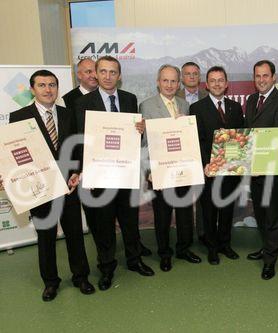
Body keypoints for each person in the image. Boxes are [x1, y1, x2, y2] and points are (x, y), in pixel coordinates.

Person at [7, 70, 94, 301]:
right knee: (46, 238)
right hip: (40, 189)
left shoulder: (68, 113)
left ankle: (81, 277)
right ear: (32, 89)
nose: (48, 90)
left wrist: (77, 172)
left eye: (52, 85)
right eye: (42, 85)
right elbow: (13, 152)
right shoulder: (19, 117)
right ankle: (51, 283)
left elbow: (77, 147)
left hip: (69, 186)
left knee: (75, 234)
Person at [74, 56, 154, 291]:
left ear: (119, 76)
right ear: (96, 74)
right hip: (100, 174)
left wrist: (140, 130)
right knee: (104, 225)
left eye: (113, 72)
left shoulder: (130, 99)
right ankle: (106, 268)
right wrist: (84, 172)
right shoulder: (83, 103)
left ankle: (134, 260)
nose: (108, 76)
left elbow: (132, 137)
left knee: (130, 221)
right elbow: (80, 140)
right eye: (104, 71)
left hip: (126, 172)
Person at [139, 64, 202, 272]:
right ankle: (164, 253)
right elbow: (144, 142)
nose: (169, 85)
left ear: (179, 83)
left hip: (183, 169)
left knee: (185, 212)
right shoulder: (146, 106)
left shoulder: (184, 105)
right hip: (159, 171)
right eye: (165, 80)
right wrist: (148, 170)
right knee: (163, 215)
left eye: (173, 81)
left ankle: (184, 248)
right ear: (158, 82)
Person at [189, 66, 244, 265]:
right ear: (206, 85)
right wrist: (206, 164)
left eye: (221, 80)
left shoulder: (235, 108)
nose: (217, 84)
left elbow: (241, 138)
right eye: (213, 81)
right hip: (209, 170)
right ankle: (212, 248)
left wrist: (240, 163)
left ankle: (225, 244)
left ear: (227, 83)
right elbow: (196, 141)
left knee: (227, 208)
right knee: (210, 211)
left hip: (231, 170)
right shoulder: (197, 108)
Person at [245, 60, 278, 280]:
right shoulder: (252, 100)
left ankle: (270, 261)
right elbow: (248, 134)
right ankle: (266, 248)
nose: (261, 80)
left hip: (272, 170)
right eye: (257, 76)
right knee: (261, 214)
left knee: (272, 216)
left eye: (265, 76)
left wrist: (260, 163)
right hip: (254, 170)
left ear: (274, 77)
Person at [177, 61, 209, 246]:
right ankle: (185, 236)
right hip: (180, 153)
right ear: (181, 77)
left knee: (202, 195)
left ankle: (203, 233)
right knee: (183, 196)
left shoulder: (207, 96)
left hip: (202, 151)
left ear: (199, 77)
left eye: (195, 74)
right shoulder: (174, 96)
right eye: (187, 74)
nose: (191, 77)